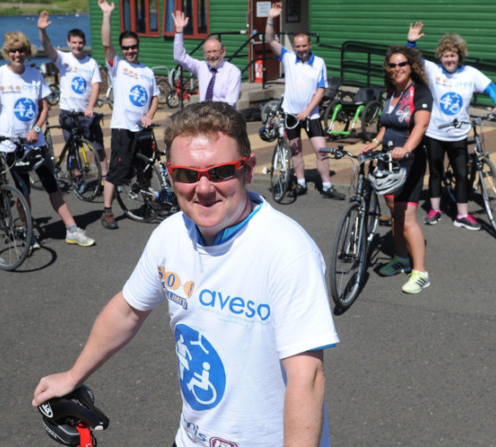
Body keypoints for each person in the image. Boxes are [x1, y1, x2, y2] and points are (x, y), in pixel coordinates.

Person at [32, 101, 339, 447]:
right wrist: (74, 376)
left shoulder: (288, 251)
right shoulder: (171, 233)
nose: (204, 188)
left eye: (221, 171)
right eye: (187, 174)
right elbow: (127, 310)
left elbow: (307, 376)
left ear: (248, 169)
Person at [0, 31, 95, 247]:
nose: (17, 54)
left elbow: (44, 108)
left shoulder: (35, 75)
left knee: (53, 186)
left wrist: (37, 130)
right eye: (13, 50)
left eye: (21, 50)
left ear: (27, 52)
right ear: (7, 53)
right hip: (10, 145)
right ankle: (28, 231)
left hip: (36, 143)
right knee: (23, 192)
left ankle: (72, 229)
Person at [407, 22, 496, 231]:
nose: (449, 59)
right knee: (435, 172)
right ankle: (434, 208)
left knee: (462, 174)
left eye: (453, 55)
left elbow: (491, 87)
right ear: (440, 57)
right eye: (445, 56)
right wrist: (411, 42)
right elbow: (413, 60)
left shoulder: (470, 73)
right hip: (435, 132)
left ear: (459, 56)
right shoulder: (433, 70)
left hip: (459, 133)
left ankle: (462, 215)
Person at [361, 45, 432, 294]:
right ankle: (401, 259)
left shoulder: (420, 92)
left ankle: (420, 272)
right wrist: (376, 142)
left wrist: (407, 148)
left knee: (407, 217)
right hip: (387, 158)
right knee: (394, 212)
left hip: (409, 162)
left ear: (411, 66)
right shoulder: (390, 93)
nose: (397, 68)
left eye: (402, 64)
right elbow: (386, 125)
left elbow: (420, 125)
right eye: (392, 65)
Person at [264, 2, 344, 200]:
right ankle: (300, 183)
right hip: (291, 113)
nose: (300, 49)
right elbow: (269, 39)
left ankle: (326, 185)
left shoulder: (319, 63)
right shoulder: (288, 57)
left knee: (321, 150)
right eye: (297, 46)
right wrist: (271, 18)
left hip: (311, 114)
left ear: (310, 45)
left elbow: (321, 90)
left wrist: (307, 111)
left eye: (304, 46)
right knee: (295, 150)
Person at [97, 0, 159, 230]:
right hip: (124, 128)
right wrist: (107, 15)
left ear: (138, 46)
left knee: (145, 169)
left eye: (133, 47)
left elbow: (155, 97)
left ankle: (147, 203)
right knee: (117, 171)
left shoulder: (148, 72)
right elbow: (105, 43)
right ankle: (107, 211)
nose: (130, 51)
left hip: (143, 128)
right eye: (126, 48)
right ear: (122, 50)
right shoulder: (118, 65)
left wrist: (150, 115)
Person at [38, 10, 108, 193]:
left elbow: (95, 86)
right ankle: (78, 178)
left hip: (86, 112)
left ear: (84, 44)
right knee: (73, 148)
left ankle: (106, 179)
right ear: (69, 43)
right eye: (74, 43)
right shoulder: (63, 58)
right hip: (68, 112)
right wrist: (42, 31)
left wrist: (90, 106)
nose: (77, 46)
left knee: (98, 147)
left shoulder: (91, 63)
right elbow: (48, 48)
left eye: (80, 43)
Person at [171, 10, 241, 108]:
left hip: (225, 118)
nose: (212, 56)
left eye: (215, 51)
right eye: (208, 52)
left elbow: (230, 103)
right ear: (204, 54)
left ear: (223, 52)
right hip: (204, 117)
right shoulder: (201, 67)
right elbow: (179, 57)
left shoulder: (233, 72)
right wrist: (179, 31)